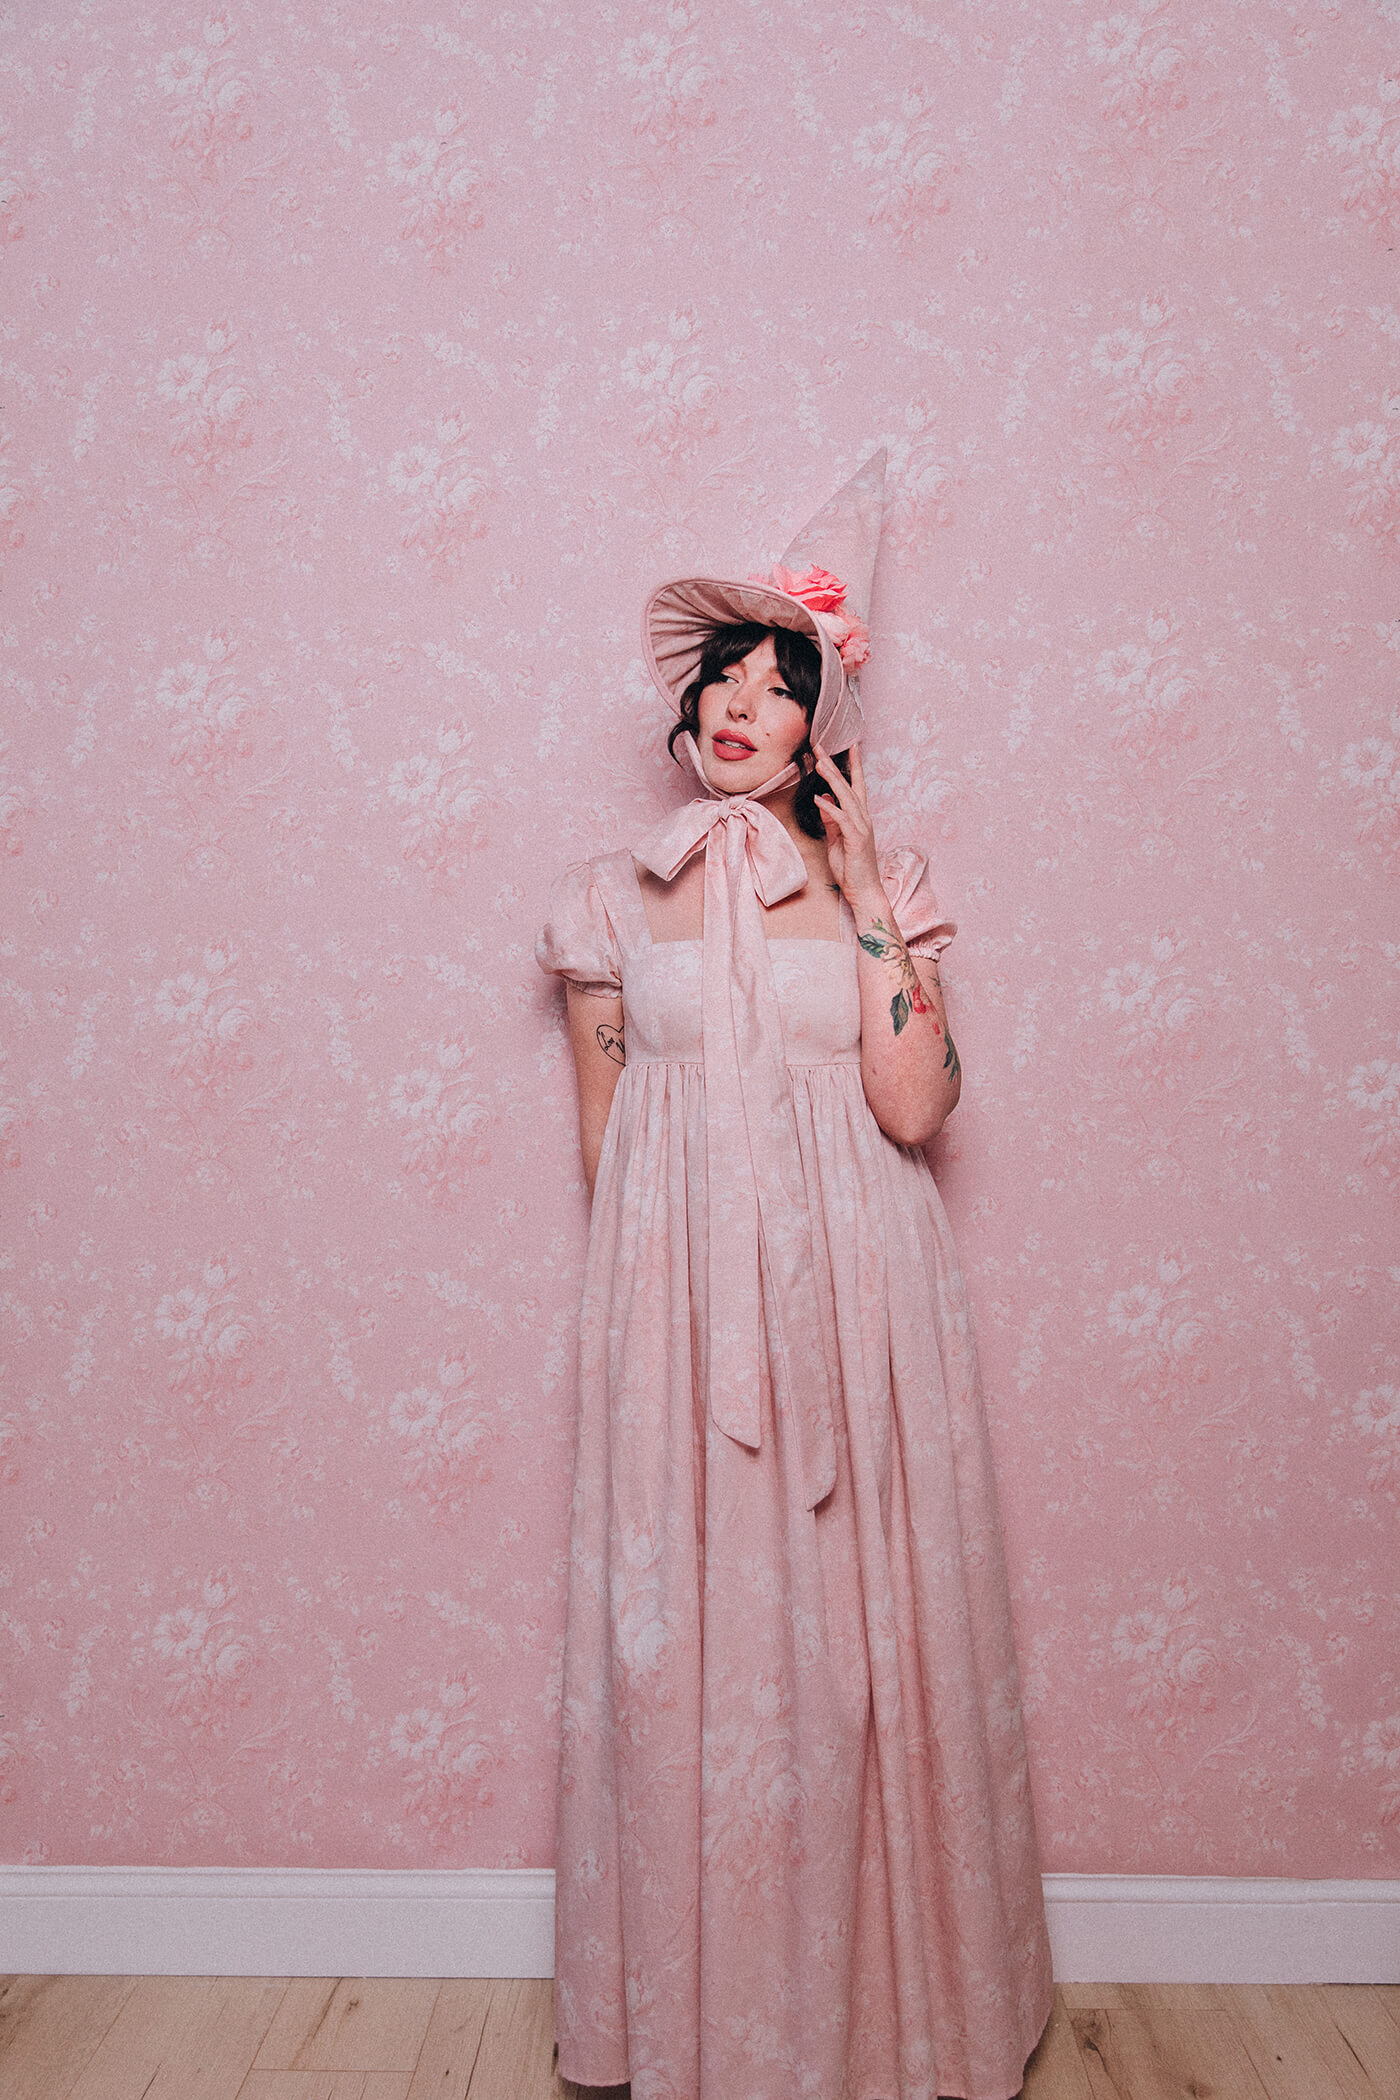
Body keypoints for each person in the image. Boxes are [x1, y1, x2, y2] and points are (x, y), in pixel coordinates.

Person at [536, 453, 1054, 2100]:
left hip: (869, 1305)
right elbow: (612, 1147)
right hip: (682, 1316)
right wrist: (670, 1332)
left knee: (868, 1649)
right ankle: (698, 2018)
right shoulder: (613, 905)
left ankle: (905, 2021)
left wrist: (869, 889)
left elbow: (916, 1107)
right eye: (725, 684)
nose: (749, 707)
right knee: (687, 1653)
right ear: (684, 719)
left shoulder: (880, 889)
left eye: (783, 685)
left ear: (820, 725)